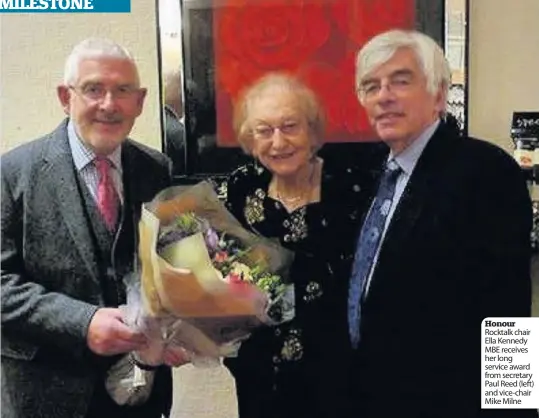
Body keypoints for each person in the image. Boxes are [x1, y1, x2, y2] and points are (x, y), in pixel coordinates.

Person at [347, 29, 536, 418]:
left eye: (401, 81)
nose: (384, 96)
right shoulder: (368, 172)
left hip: (446, 400)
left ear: (438, 94)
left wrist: (513, 405)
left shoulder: (485, 172)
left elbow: (509, 310)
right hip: (371, 394)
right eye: (371, 86)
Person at [1, 38, 187, 418]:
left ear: (140, 101)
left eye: (122, 91)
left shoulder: (157, 170)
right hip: (47, 396)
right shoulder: (11, 174)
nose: (109, 104)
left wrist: (189, 327)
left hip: (142, 395)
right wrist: (83, 322)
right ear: (65, 97)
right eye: (93, 89)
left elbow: (177, 264)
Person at [214, 73, 383, 418]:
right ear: (249, 137)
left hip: (341, 375)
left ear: (313, 130)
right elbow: (217, 270)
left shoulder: (355, 188)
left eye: (290, 126)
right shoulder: (239, 189)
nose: (278, 142)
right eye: (264, 130)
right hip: (260, 375)